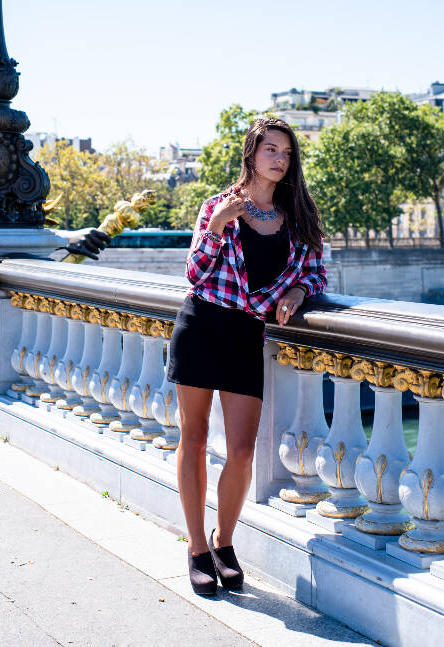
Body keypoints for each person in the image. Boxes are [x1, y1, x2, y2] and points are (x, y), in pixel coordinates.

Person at [167, 117, 327, 596]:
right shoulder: (218, 205)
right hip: (200, 325)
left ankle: (224, 541)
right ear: (251, 154)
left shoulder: (297, 219)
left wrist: (298, 291)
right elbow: (195, 273)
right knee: (193, 439)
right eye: (271, 150)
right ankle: (197, 547)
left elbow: (317, 273)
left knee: (241, 450)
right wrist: (217, 227)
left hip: (245, 334)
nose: (280, 159)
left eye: (286, 153)